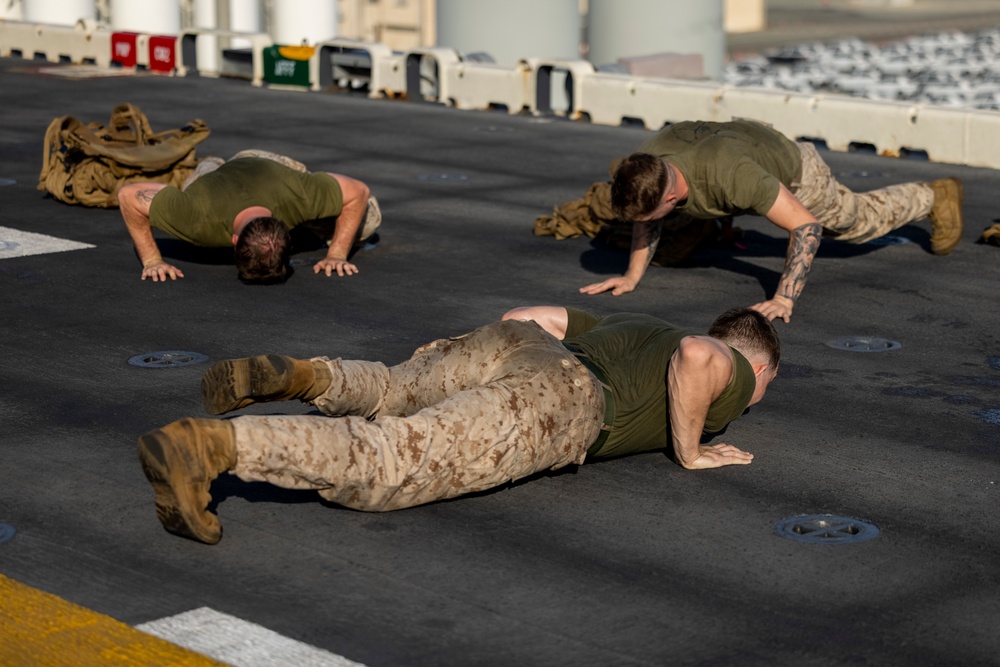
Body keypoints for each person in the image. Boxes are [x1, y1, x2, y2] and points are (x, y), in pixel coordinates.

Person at [137, 305, 780, 544]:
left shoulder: (641, 324)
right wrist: (692, 451)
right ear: (759, 364)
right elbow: (700, 357)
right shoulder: (733, 364)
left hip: (520, 345)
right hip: (566, 398)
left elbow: (533, 314)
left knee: (392, 390)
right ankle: (208, 447)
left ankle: (303, 375)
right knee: (395, 459)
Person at [579, 119, 964, 323]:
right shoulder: (648, 162)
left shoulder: (730, 177)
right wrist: (631, 276)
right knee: (687, 222)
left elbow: (806, 227)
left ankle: (934, 195)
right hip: (738, 144)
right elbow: (650, 220)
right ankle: (714, 222)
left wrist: (783, 297)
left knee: (855, 224)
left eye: (652, 214)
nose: (642, 224)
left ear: (671, 196)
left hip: (793, 167)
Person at [117, 150, 381, 284]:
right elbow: (129, 196)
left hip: (266, 168)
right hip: (220, 180)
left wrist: (337, 253)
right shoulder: (196, 218)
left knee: (369, 222)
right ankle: (210, 163)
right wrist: (151, 260)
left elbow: (359, 191)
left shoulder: (299, 197)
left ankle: (213, 165)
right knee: (203, 175)